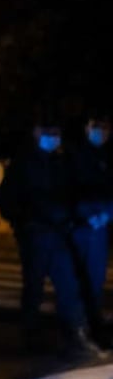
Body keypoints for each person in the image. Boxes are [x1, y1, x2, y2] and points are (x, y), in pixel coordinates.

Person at [0, 113, 105, 359]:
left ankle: (74, 335)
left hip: (58, 234)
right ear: (37, 133)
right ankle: (31, 337)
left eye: (57, 134)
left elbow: (72, 193)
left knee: (69, 286)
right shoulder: (24, 163)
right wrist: (24, 224)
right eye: (49, 133)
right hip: (35, 235)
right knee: (34, 288)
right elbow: (7, 199)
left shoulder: (60, 163)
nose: (54, 138)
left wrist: (74, 216)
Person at [71, 113, 113, 345]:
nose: (101, 131)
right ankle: (79, 327)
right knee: (81, 279)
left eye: (105, 127)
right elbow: (70, 191)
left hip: (100, 226)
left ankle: (93, 325)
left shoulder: (106, 157)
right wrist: (86, 214)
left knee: (96, 279)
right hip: (82, 226)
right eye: (96, 126)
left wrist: (107, 214)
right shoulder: (77, 156)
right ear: (87, 129)